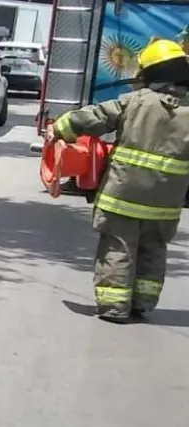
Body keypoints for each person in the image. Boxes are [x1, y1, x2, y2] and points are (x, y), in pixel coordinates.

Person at [46, 38, 189, 323]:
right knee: (153, 248)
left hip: (123, 197)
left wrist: (59, 128)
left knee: (118, 247)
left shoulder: (136, 102)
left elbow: (95, 117)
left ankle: (114, 306)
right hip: (166, 204)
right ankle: (143, 302)